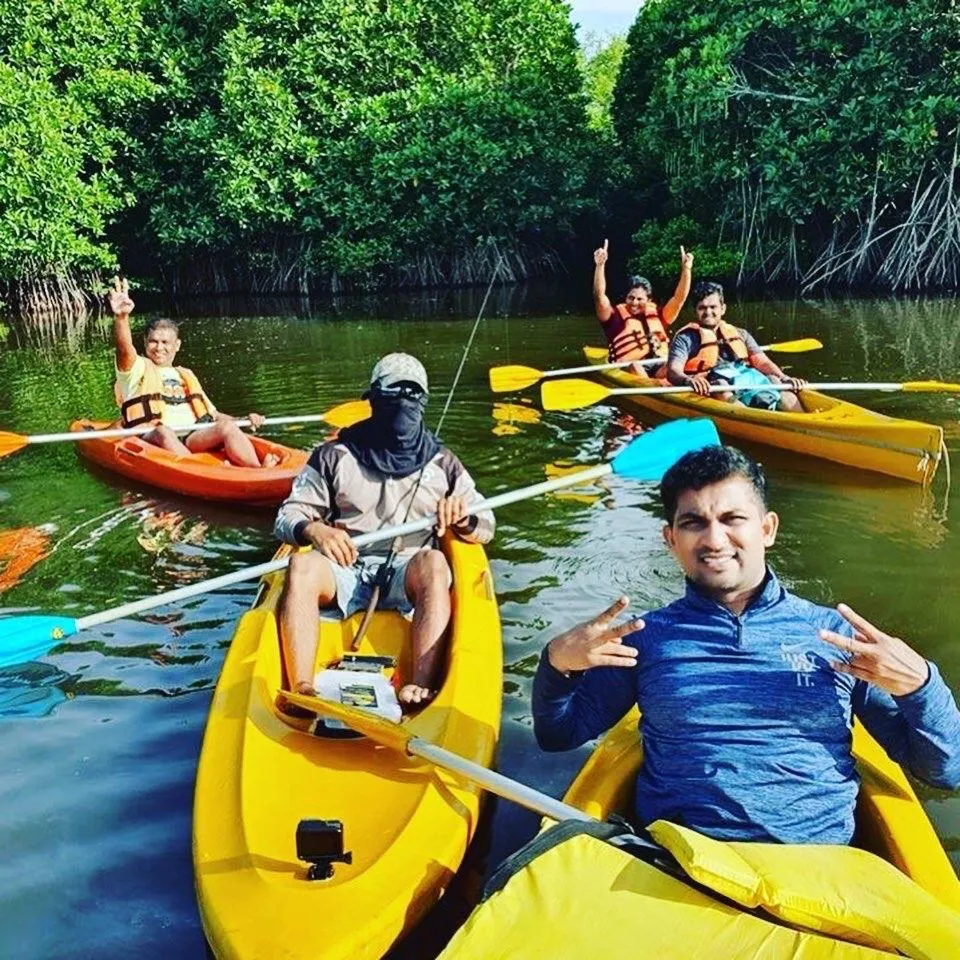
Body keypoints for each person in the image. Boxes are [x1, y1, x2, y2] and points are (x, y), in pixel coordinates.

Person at [533, 445, 960, 844]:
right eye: (693, 523)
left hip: (816, 871)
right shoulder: (646, 637)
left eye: (732, 519)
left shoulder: (835, 634)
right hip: (678, 867)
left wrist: (921, 686)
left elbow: (945, 771)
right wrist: (558, 664)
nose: (714, 540)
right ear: (670, 540)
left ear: (767, 528)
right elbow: (559, 734)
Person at [274, 353, 495, 706]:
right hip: (345, 568)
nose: (403, 406)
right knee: (301, 565)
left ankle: (421, 685)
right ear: (374, 400)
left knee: (436, 564)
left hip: (407, 575)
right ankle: (301, 687)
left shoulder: (443, 463)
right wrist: (315, 530)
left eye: (412, 397)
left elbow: (487, 524)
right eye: (394, 396)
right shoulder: (334, 456)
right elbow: (286, 517)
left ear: (423, 402)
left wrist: (464, 518)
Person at [107, 277, 276, 467]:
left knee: (227, 427)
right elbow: (124, 349)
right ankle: (207, 472)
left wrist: (243, 420)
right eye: (153, 341)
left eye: (165, 342)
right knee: (164, 432)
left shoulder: (185, 375)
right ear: (145, 344)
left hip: (192, 437)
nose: (159, 347)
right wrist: (121, 318)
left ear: (177, 346)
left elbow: (214, 414)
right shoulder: (136, 368)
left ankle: (258, 471)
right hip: (151, 436)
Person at [666, 281, 807, 412]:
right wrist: (688, 380)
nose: (708, 312)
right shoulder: (685, 338)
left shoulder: (740, 334)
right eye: (702, 308)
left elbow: (762, 362)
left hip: (744, 379)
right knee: (720, 386)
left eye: (713, 307)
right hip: (715, 387)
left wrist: (784, 378)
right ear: (695, 311)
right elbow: (673, 371)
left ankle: (802, 421)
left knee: (774, 380)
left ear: (723, 308)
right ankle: (753, 421)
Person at [593, 240, 693, 371]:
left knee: (673, 365)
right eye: (631, 298)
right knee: (636, 366)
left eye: (640, 299)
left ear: (649, 300)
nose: (634, 302)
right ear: (626, 298)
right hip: (630, 368)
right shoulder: (613, 317)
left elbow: (679, 299)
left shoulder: (659, 315)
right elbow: (599, 296)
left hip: (659, 365)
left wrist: (686, 270)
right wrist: (600, 266)